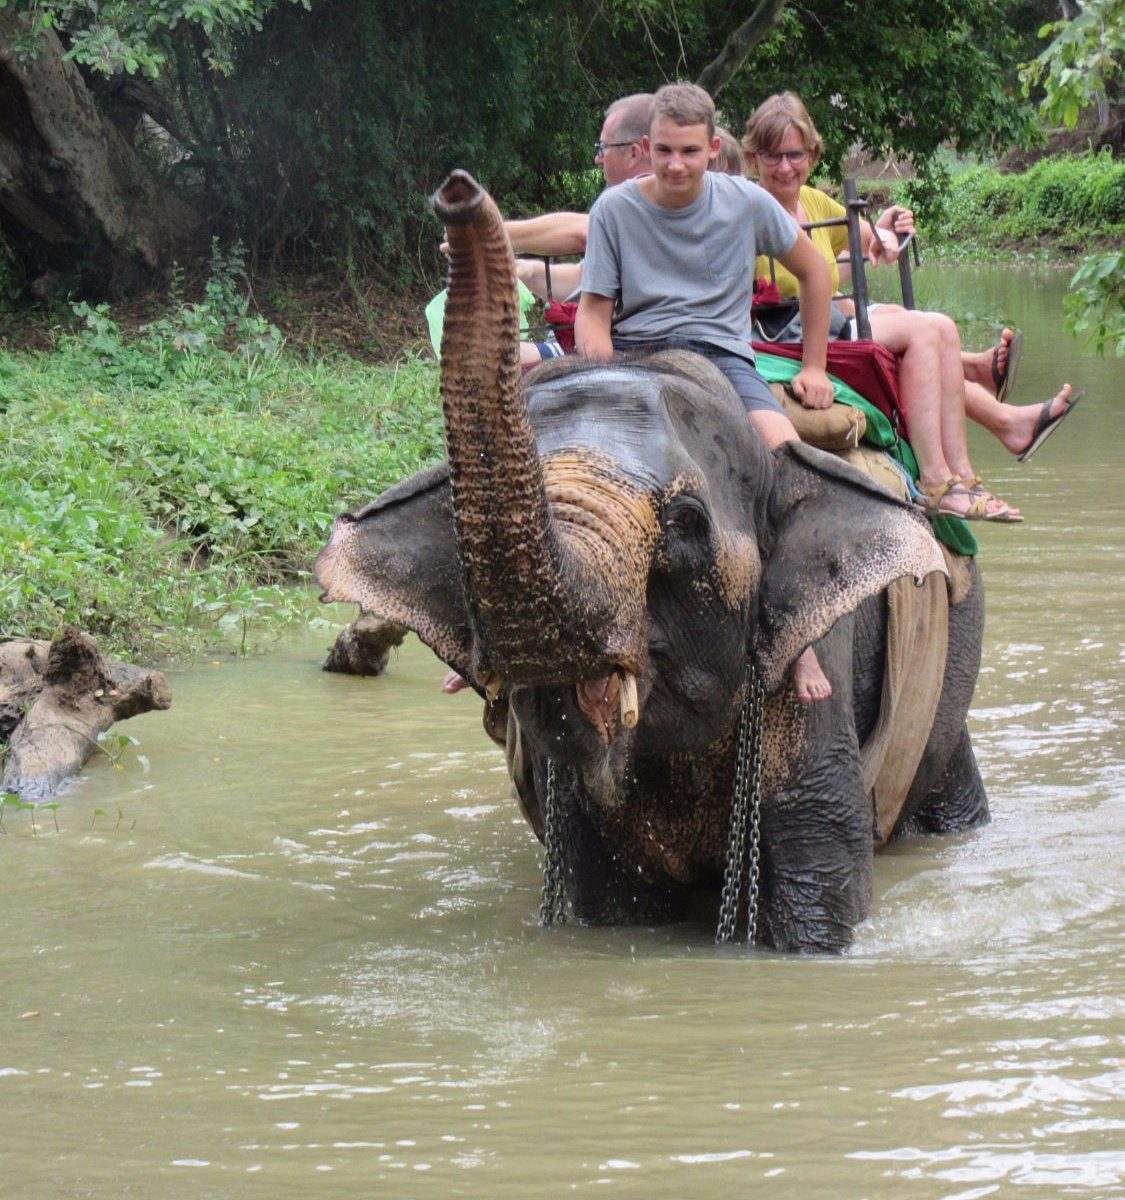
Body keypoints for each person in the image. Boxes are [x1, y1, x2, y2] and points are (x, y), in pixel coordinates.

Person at [576, 82, 836, 702]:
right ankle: (497, 639)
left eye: (689, 151)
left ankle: (799, 642)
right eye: (663, 149)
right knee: (544, 472)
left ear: (713, 147)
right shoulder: (614, 209)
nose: (675, 164)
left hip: (723, 361)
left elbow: (814, 270)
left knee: (790, 468)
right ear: (644, 147)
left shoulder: (745, 202)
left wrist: (817, 366)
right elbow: (592, 314)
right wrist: (602, 370)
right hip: (639, 359)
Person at [743, 93, 1079, 515]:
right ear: (753, 158)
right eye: (772, 157)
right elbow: (800, 284)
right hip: (791, 330)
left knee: (940, 326)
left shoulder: (812, 202)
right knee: (922, 329)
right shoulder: (749, 207)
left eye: (794, 154)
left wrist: (887, 231)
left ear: (811, 153)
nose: (785, 167)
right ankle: (941, 475)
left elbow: (864, 252)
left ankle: (965, 471)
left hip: (828, 316)